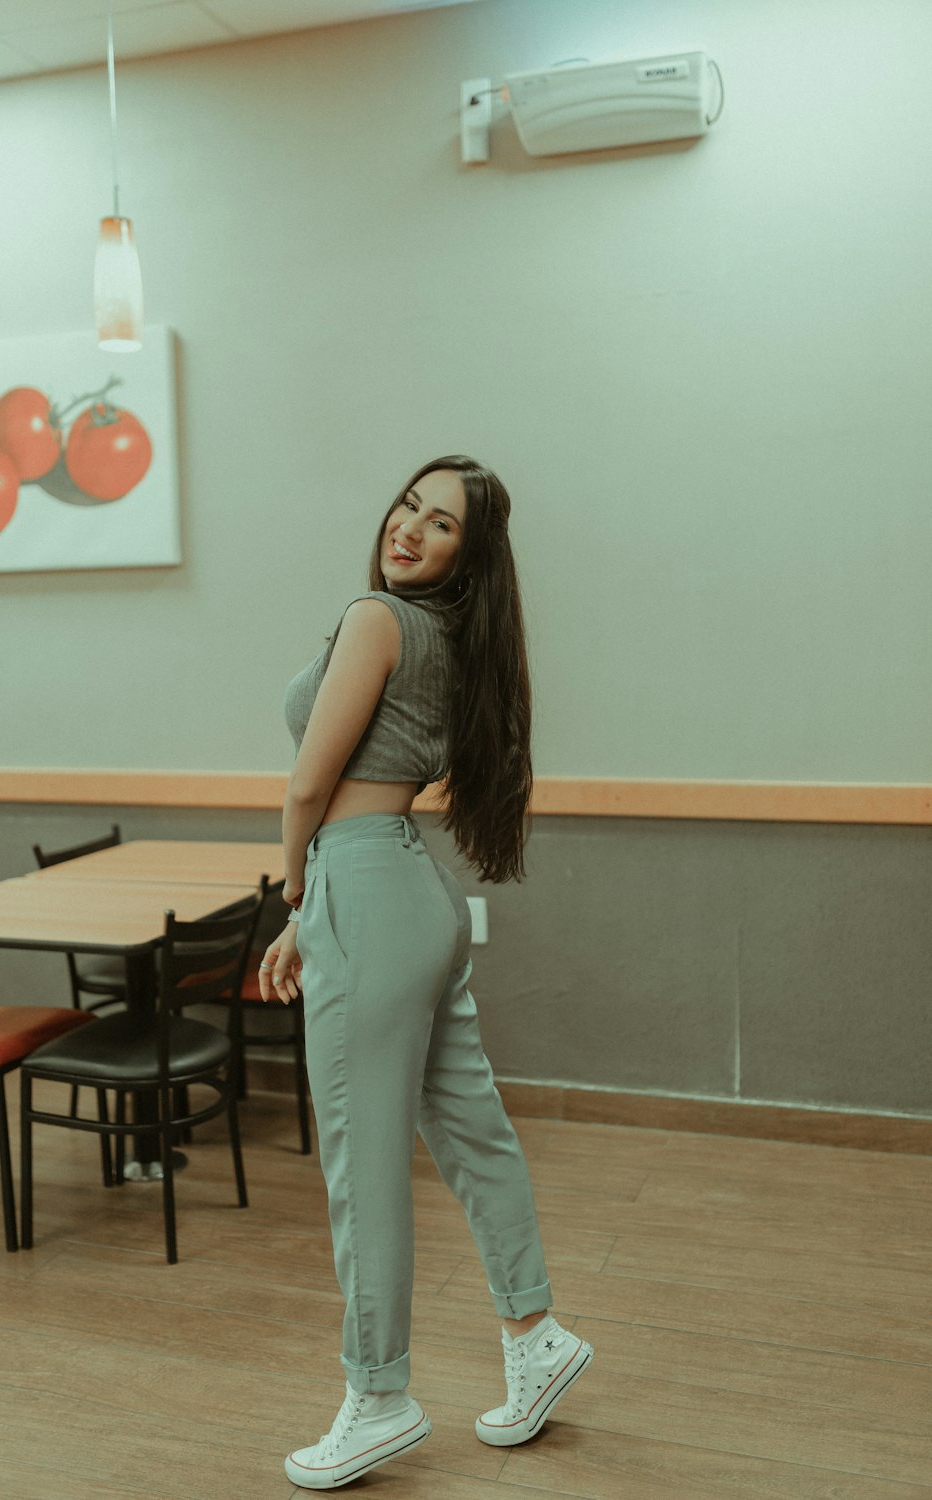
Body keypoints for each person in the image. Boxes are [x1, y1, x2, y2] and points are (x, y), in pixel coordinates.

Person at [260, 455, 593, 1490]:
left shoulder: (378, 617)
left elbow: (311, 780)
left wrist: (294, 896)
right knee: (470, 1126)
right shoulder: (460, 639)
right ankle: (533, 1336)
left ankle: (379, 1396)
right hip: (411, 888)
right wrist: (313, 913)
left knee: (363, 1161)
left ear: (467, 554)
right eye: (409, 504)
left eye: (439, 523)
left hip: (362, 885)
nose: (409, 527)